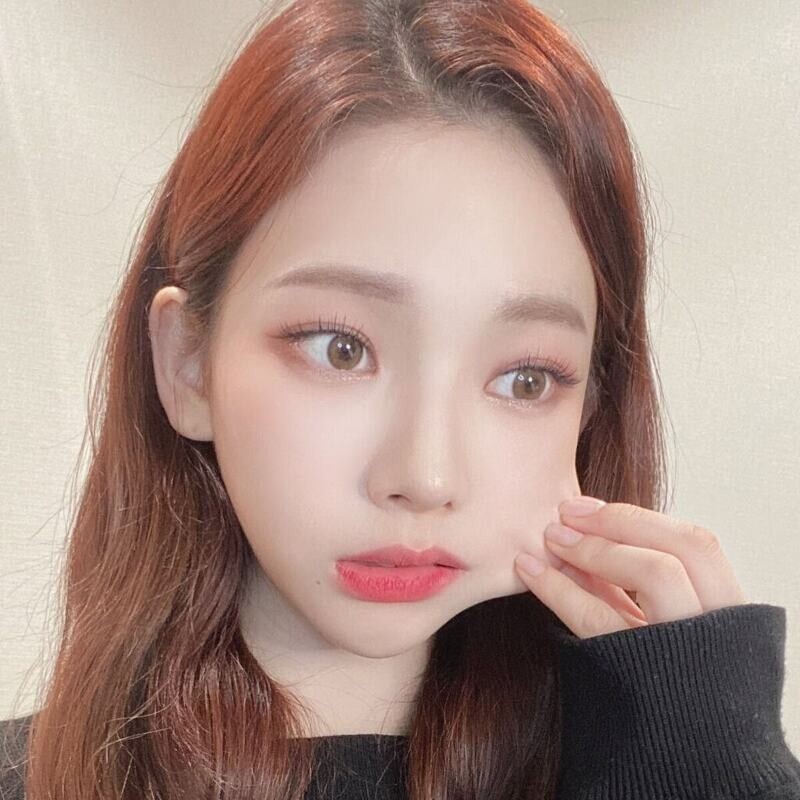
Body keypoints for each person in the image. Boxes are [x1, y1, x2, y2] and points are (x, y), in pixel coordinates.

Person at [2, 0, 799, 798]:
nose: (425, 477)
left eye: (525, 379)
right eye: (340, 348)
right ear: (187, 365)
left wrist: (721, 770)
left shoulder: (669, 771)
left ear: (591, 403)